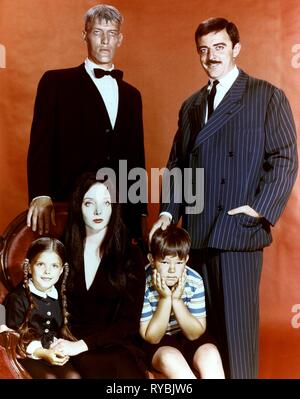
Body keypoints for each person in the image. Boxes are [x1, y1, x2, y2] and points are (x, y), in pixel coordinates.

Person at [150, 17, 298, 379]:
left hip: (236, 234)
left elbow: (285, 157)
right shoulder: (191, 106)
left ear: (236, 49)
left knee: (238, 338)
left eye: (219, 47)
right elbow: (178, 166)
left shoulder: (265, 95)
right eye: (204, 49)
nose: (211, 56)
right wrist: (169, 214)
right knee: (203, 337)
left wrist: (259, 210)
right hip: (195, 237)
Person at [26, 4, 147, 242]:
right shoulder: (55, 83)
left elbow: (136, 155)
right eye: (97, 32)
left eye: (111, 33)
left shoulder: (133, 95)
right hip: (69, 205)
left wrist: (140, 211)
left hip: (118, 210)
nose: (104, 41)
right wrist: (40, 194)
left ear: (119, 39)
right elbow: (41, 143)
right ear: (85, 35)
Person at [50, 172, 146, 378]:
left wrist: (83, 345)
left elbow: (129, 322)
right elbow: (31, 290)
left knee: (122, 368)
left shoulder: (130, 254)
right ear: (78, 207)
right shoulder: (61, 249)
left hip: (115, 345)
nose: (98, 210)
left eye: (106, 203)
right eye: (89, 203)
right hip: (71, 343)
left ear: (114, 207)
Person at [140, 225, 224, 379]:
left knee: (211, 355)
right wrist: (165, 299)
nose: (172, 270)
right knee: (170, 358)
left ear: (186, 259)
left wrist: (177, 301)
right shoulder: (142, 282)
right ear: (152, 260)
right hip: (157, 340)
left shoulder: (194, 280)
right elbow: (152, 337)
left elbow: (195, 334)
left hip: (186, 333)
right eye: (165, 263)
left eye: (178, 263)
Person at [4, 237, 80, 379]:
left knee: (73, 376)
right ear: (29, 267)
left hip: (52, 350)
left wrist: (60, 345)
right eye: (40, 264)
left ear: (62, 270)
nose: (47, 271)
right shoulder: (17, 298)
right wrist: (41, 352)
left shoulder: (60, 295)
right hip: (26, 354)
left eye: (54, 266)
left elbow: (61, 329)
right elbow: (14, 337)